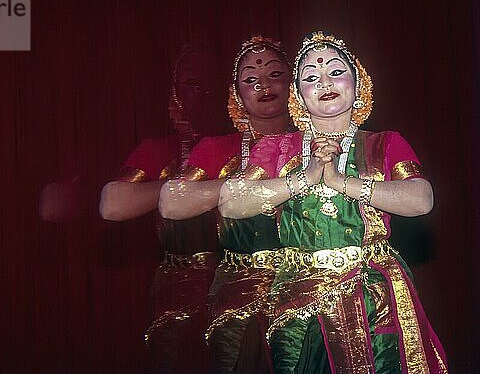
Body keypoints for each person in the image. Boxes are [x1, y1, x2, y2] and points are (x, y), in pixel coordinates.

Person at [219, 31, 448, 373]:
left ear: (359, 83)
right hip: (297, 301)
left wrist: (344, 183)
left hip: (374, 297)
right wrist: (304, 178)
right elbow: (230, 203)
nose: (325, 82)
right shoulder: (278, 148)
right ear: (298, 95)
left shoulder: (385, 143)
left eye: (336, 72)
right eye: (311, 77)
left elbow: (421, 199)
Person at [159, 36, 294, 373]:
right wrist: (245, 187)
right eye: (250, 79)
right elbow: (172, 202)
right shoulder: (217, 149)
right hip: (239, 288)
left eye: (275, 74)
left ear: (295, 81)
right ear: (236, 93)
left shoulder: (320, 142)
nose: (264, 85)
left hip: (307, 285)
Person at [97, 46, 227, 373]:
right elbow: (113, 204)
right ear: (175, 93)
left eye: (208, 84)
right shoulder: (158, 150)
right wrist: (182, 190)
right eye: (189, 84)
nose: (200, 92)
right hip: (176, 287)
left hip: (236, 282)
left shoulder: (248, 146)